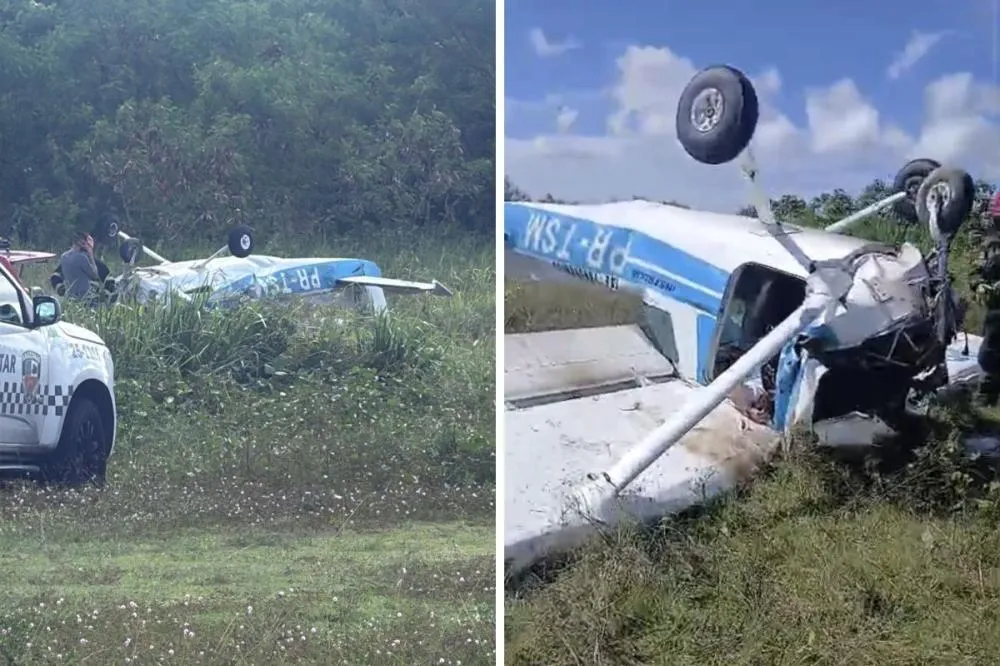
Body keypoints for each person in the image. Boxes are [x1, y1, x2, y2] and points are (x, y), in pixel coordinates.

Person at [969, 196, 1000, 406]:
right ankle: (987, 393)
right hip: (996, 307)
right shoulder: (989, 243)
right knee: (991, 348)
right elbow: (975, 270)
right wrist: (979, 285)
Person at [59, 232, 101, 302]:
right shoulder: (81, 257)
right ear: (81, 243)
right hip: (83, 296)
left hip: (70, 295)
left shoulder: (63, 256)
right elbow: (95, 275)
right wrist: (91, 255)